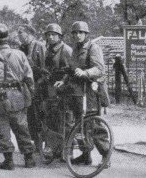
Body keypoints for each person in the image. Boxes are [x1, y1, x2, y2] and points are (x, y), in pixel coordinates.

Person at [0, 23, 36, 170]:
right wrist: (31, 93)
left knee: (1, 127)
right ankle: (29, 158)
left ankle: (9, 160)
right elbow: (29, 77)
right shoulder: (20, 54)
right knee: (21, 126)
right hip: (17, 94)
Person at [68, 21, 110, 166]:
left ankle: (106, 156)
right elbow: (72, 68)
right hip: (78, 91)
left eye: (80, 32)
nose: (77, 35)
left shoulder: (93, 47)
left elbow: (99, 69)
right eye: (75, 33)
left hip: (91, 91)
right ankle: (86, 155)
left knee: (94, 124)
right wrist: (64, 79)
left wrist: (85, 72)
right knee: (80, 124)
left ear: (86, 34)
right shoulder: (75, 49)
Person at [41, 23, 72, 160]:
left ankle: (66, 151)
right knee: (51, 118)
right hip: (50, 88)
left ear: (59, 36)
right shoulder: (48, 49)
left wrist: (63, 81)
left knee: (65, 120)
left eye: (53, 35)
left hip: (63, 89)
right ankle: (54, 149)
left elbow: (70, 70)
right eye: (48, 35)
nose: (50, 37)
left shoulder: (66, 50)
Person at [17, 24, 46, 149]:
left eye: (21, 33)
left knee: (39, 115)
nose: (19, 36)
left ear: (29, 34)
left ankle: (42, 144)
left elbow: (45, 68)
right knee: (30, 116)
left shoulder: (39, 46)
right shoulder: (21, 48)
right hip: (26, 87)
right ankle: (34, 143)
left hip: (39, 86)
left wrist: (38, 83)